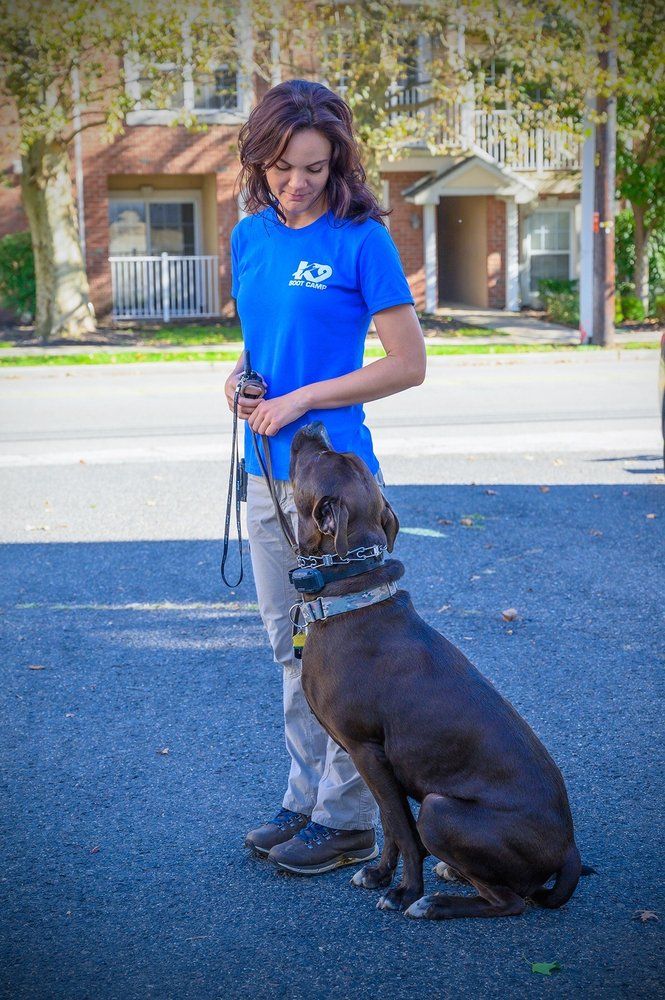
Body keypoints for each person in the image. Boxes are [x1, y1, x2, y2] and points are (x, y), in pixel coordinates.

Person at [225, 78, 426, 875]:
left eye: (311, 167)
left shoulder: (360, 239)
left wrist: (304, 396)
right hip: (262, 473)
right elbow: (261, 344)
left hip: (335, 486)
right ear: (258, 163)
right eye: (280, 168)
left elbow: (408, 366)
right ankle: (305, 800)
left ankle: (346, 820)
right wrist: (241, 382)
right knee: (291, 650)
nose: (295, 183)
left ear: (337, 159)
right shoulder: (250, 236)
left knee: (346, 653)